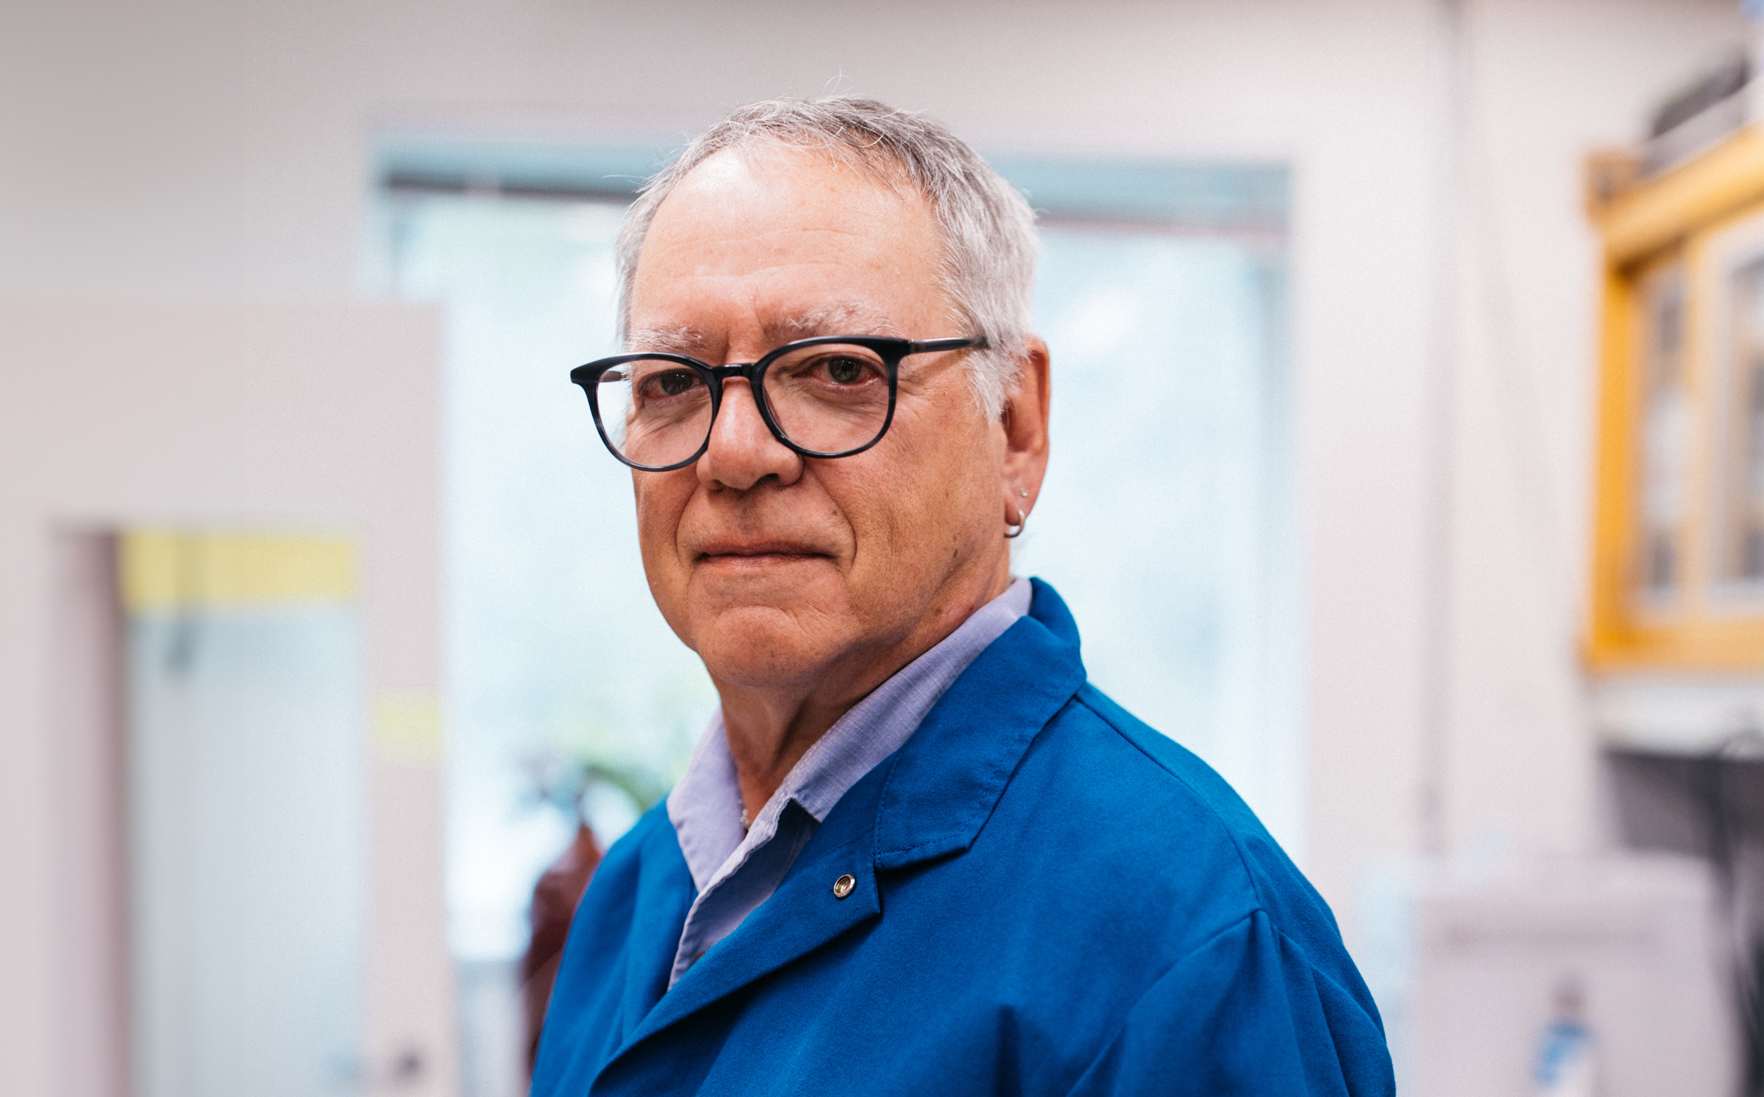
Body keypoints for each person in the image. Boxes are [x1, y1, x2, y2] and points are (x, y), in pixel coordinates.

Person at [534, 96, 1394, 1096]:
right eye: (671, 382)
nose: (732, 452)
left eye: (836, 369)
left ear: (1015, 428)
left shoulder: (1189, 943)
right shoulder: (634, 893)